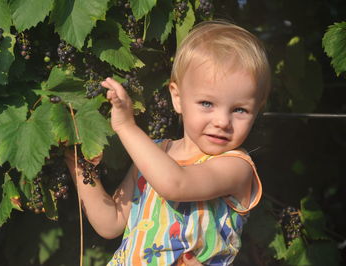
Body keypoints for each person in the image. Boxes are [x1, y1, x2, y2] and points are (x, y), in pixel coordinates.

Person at [65, 20, 271, 265]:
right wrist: (74, 159)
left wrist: (126, 127)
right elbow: (111, 222)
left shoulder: (237, 167)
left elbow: (176, 184)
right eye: (207, 103)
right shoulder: (154, 154)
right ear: (177, 98)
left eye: (240, 110)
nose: (222, 121)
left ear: (256, 111)